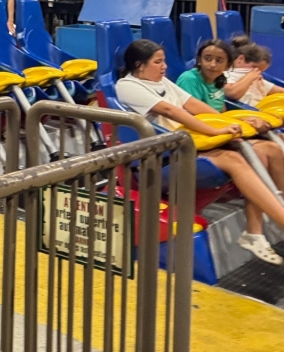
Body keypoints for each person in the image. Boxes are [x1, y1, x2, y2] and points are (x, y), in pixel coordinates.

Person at [117, 39, 284, 264]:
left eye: (164, 60)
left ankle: (254, 232)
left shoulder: (162, 81)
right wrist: (215, 129)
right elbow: (172, 111)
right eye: (158, 62)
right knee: (233, 158)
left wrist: (238, 120)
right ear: (139, 65)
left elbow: (194, 105)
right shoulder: (127, 86)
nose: (164, 66)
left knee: (269, 149)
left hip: (189, 146)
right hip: (162, 159)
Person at [225, 36, 284, 107]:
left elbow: (280, 91)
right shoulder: (228, 74)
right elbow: (232, 93)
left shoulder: (257, 78)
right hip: (241, 112)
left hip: (261, 112)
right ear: (240, 59)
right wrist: (250, 77)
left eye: (260, 71)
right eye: (255, 67)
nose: (257, 72)